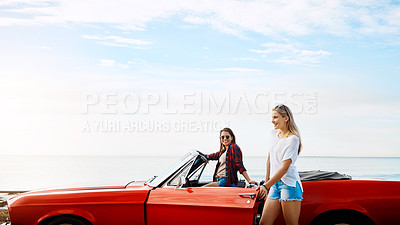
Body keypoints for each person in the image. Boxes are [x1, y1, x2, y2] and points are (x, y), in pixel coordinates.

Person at [258, 104, 303, 225]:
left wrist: (266, 186)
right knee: (264, 223)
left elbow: (284, 168)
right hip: (274, 184)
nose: (272, 121)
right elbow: (269, 160)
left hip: (289, 184)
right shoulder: (273, 134)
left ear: (286, 118)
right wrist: (266, 183)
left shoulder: (293, 139)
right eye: (272, 117)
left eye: (275, 117)